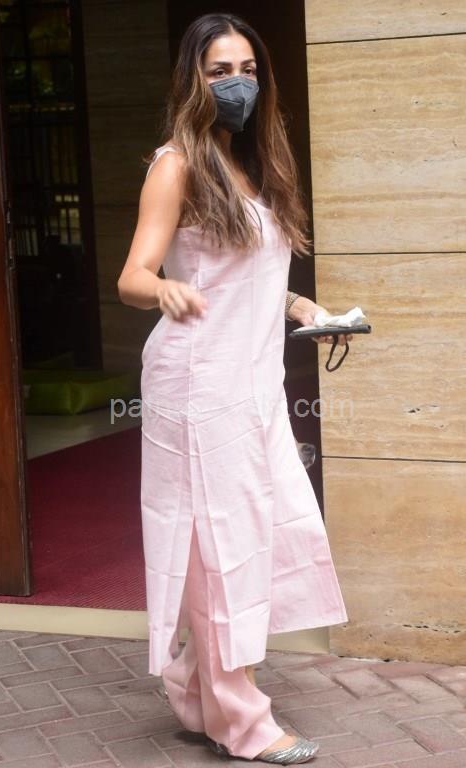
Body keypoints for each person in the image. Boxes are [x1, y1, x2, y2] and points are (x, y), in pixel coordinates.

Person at [117, 12, 352, 764]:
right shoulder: (176, 165)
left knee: (258, 535)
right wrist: (163, 290)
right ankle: (244, 723)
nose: (236, 83)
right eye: (220, 71)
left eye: (247, 69)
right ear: (193, 79)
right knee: (224, 547)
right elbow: (132, 276)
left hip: (254, 386)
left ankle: (196, 693)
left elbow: (245, 276)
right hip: (197, 382)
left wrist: (304, 307)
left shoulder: (255, 165)